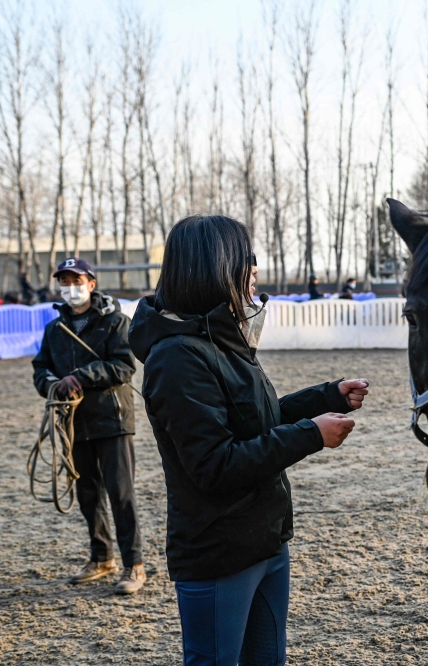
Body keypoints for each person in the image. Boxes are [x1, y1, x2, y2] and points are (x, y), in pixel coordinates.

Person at [128, 215, 370, 665]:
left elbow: (259, 419)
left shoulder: (222, 339)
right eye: (247, 263)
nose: (255, 272)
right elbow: (215, 466)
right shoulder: (177, 358)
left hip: (266, 539)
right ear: (215, 268)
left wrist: (324, 397)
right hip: (219, 553)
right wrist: (312, 436)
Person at [31, 257, 146, 592]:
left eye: (76, 280)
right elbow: (40, 370)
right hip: (74, 423)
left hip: (113, 419)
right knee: (87, 493)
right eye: (64, 282)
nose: (71, 288)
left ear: (91, 284)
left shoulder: (115, 323)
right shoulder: (54, 329)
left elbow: (124, 367)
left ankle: (134, 565)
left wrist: (80, 376)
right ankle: (101, 557)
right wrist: (53, 384)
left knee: (121, 493)